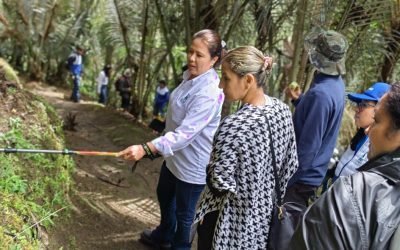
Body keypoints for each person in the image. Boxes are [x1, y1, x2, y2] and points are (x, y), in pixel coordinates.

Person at [118, 29, 224, 250]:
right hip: (174, 157)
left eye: (199, 55)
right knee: (164, 194)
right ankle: (164, 234)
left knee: (185, 216)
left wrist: (147, 148)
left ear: (214, 59)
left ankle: (180, 246)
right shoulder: (190, 78)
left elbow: (185, 134)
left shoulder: (210, 92)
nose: (192, 58)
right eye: (190, 52)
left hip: (192, 166)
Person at [193, 46, 298, 250]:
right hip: (262, 224)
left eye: (226, 78)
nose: (221, 85)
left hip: (228, 226)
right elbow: (291, 164)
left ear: (248, 80)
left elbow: (219, 183)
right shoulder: (282, 111)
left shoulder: (233, 125)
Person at [289, 83, 400, 250]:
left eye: (364, 106)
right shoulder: (360, 139)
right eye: (357, 104)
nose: (357, 109)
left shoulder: (355, 193)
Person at [284, 29, 348, 207]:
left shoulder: (321, 94)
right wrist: (300, 101)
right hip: (309, 176)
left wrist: (286, 181)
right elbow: (320, 119)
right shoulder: (335, 84)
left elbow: (308, 147)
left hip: (301, 179)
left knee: (282, 231)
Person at [332, 82, 390, 180]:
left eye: (364, 104)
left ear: (380, 110)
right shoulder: (361, 134)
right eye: (359, 104)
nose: (356, 109)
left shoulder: (379, 146)